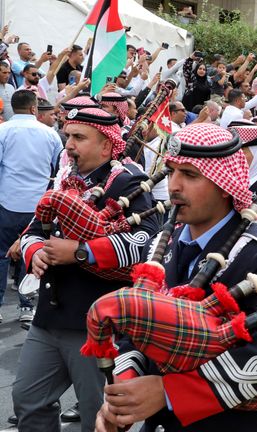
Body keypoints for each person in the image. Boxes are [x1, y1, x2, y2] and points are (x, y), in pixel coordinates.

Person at [96, 123, 257, 432]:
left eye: (190, 175)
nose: (174, 186)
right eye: (171, 172)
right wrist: (127, 391)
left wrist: (168, 393)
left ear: (225, 184)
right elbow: (140, 323)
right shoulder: (163, 244)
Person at [13, 107, 157, 431]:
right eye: (68, 137)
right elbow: (35, 229)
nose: (69, 145)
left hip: (97, 324)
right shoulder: (67, 180)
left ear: (106, 145)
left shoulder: (127, 183)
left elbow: (145, 242)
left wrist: (81, 252)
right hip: (48, 319)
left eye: (79, 137)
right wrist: (35, 252)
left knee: (99, 416)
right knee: (27, 401)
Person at [0, 90, 62, 324]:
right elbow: (58, 170)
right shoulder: (50, 134)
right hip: (38, 207)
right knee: (30, 252)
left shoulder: (3, 131)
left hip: (8, 202)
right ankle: (26, 307)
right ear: (34, 108)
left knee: (1, 256)